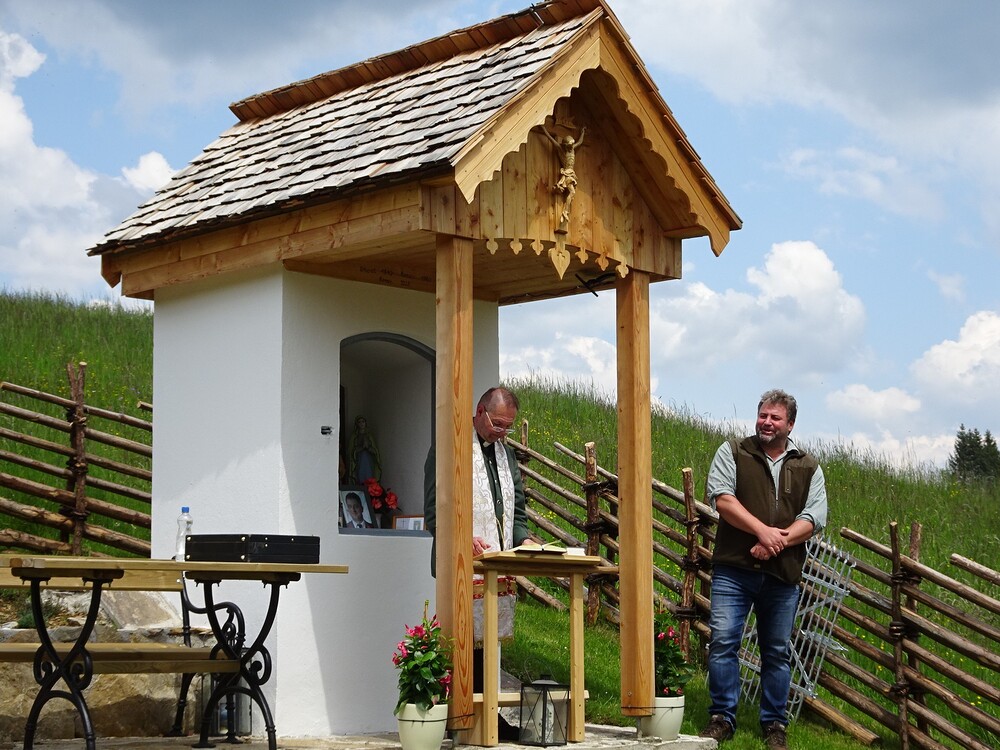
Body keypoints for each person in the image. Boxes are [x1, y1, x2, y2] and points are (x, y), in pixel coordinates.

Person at [699, 389, 828, 750]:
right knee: (724, 641)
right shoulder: (734, 451)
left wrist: (775, 542)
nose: (767, 423)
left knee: (776, 651)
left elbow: (813, 518)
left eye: (775, 417)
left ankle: (774, 725)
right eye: (763, 415)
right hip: (734, 569)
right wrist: (762, 531)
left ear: (790, 424)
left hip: (781, 575)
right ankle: (722, 718)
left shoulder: (808, 466)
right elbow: (722, 499)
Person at [423, 386, 530, 741]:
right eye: (497, 424)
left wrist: (524, 539)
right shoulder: (450, 445)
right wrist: (461, 537)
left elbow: (516, 510)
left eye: (508, 426)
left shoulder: (506, 455)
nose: (502, 432)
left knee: (488, 646)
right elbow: (434, 510)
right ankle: (456, 716)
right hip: (459, 566)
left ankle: (488, 717)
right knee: (459, 643)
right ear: (480, 411)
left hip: (494, 566)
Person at [349, 416, 382, 483]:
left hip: (369, 460)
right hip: (358, 460)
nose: (361, 423)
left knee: (369, 478)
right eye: (359, 422)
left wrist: (368, 447)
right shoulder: (354, 436)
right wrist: (362, 447)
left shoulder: (370, 435)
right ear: (357, 424)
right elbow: (351, 450)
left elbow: (375, 451)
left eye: (363, 421)